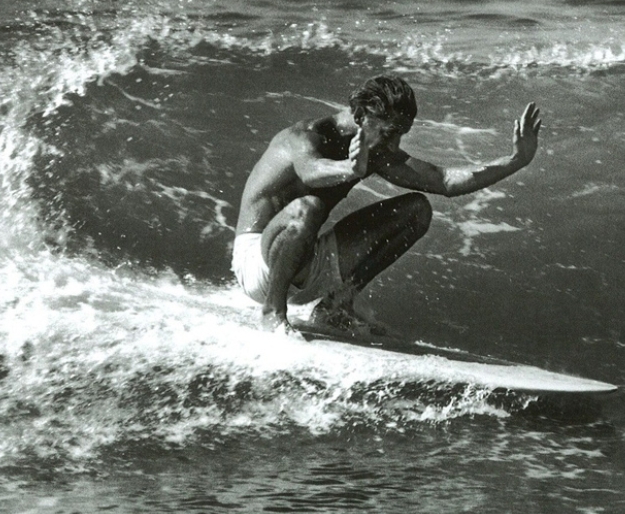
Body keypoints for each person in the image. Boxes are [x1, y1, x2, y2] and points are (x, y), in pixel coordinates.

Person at [232, 75, 541, 334]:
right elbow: (310, 172)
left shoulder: (375, 149)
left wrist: (516, 161)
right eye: (390, 133)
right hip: (259, 265)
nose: (394, 146)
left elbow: (444, 181)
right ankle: (273, 312)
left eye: (401, 135)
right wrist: (350, 170)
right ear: (360, 118)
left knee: (418, 209)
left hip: (307, 260)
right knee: (308, 207)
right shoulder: (302, 138)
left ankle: (336, 304)